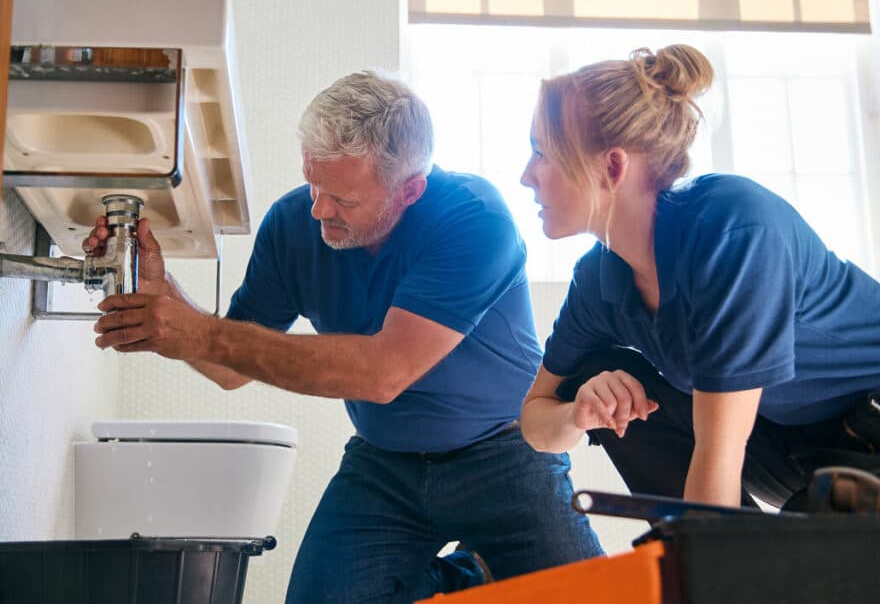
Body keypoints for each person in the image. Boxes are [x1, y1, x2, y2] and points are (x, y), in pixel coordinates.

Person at [88, 71, 602, 602]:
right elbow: (228, 366)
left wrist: (201, 334)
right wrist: (163, 293)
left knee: (595, 598)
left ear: (410, 191)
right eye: (314, 184)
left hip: (504, 455)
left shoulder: (474, 220)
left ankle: (477, 575)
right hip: (385, 463)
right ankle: (468, 579)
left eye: (343, 199)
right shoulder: (294, 224)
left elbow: (381, 375)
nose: (318, 209)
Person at [518, 44, 880, 512]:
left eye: (542, 153)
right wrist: (579, 412)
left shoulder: (735, 232)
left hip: (867, 427)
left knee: (810, 529)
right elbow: (535, 418)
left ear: (611, 167)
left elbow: (720, 451)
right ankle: (710, 555)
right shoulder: (598, 280)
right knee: (599, 375)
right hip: (786, 446)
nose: (527, 177)